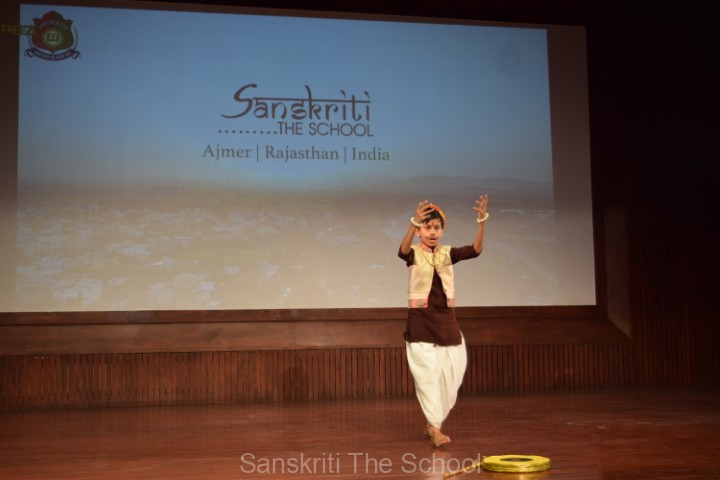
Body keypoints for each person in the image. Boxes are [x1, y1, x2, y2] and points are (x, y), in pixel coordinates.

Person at [398, 195, 489, 446]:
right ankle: (435, 427)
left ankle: (433, 422)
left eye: (436, 227)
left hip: (446, 323)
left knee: (452, 374)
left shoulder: (448, 253)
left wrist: (482, 222)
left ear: (442, 230)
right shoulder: (414, 253)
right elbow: (402, 251)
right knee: (427, 376)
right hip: (421, 323)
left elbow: (475, 250)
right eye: (427, 227)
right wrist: (413, 222)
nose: (432, 232)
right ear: (419, 231)